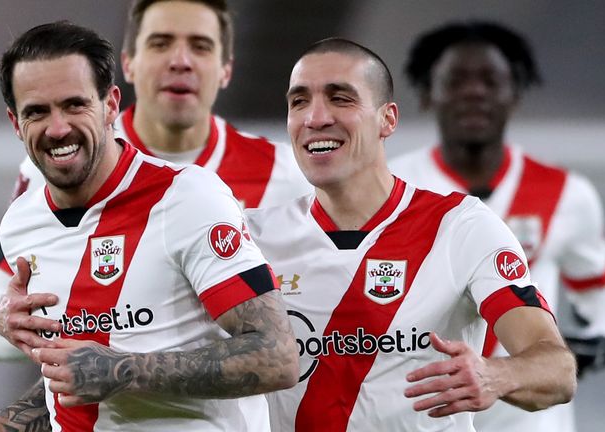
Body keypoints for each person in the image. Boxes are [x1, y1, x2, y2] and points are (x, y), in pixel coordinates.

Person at [0, 20, 298, 431]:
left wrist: (123, 369)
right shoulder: (21, 222)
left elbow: (277, 356)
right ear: (16, 123)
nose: (58, 128)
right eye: (37, 112)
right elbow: (76, 373)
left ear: (109, 105)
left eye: (74, 104)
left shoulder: (187, 198)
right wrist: (7, 425)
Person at [244, 37, 576, 431]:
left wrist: (495, 375)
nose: (315, 117)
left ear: (388, 119)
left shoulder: (460, 227)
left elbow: (557, 368)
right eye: (299, 101)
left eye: (340, 98)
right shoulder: (252, 236)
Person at [391, 21, 605, 432]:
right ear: (428, 94)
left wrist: (596, 345)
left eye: (490, 80)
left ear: (515, 94)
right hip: (422, 411)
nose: (474, 91)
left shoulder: (567, 194)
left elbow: (601, 297)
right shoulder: (392, 189)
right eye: (456, 80)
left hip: (530, 419)